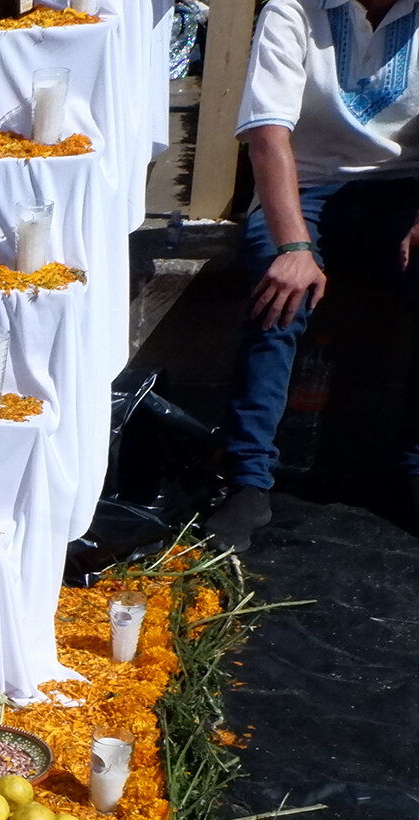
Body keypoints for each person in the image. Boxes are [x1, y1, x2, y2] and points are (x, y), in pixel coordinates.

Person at [211, 0, 419, 550]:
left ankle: (412, 466)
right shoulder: (293, 9)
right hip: (305, 185)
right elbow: (268, 133)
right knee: (278, 287)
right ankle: (247, 480)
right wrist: (296, 245)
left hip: (404, 186)